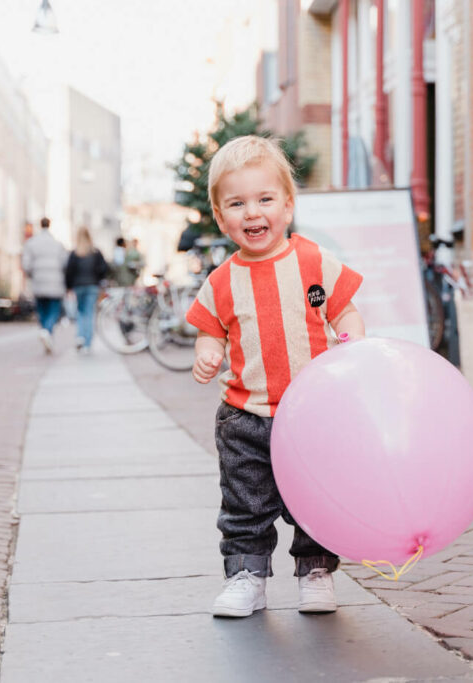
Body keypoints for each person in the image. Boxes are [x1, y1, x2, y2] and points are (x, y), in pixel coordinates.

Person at [184, 135, 366, 618]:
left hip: (313, 412)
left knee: (315, 497)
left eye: (264, 199)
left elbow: (345, 311)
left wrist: (352, 343)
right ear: (222, 219)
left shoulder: (312, 262)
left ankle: (316, 571)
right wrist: (208, 352)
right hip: (245, 415)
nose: (252, 213)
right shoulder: (221, 280)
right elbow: (211, 331)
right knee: (245, 502)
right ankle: (247, 575)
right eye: (237, 204)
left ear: (287, 206)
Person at [21, 217, 68, 353]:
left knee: (42, 311)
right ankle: (47, 331)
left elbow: (26, 265)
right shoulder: (58, 244)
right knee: (53, 311)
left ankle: (45, 332)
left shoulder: (31, 243)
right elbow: (65, 264)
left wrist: (33, 275)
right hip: (55, 284)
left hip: (38, 283)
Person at [65, 227, 108, 354]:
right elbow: (103, 269)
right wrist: (98, 279)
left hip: (78, 286)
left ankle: (80, 336)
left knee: (80, 312)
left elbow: (69, 271)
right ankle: (87, 342)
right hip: (92, 286)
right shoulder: (95, 252)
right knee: (89, 313)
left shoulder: (75, 253)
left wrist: (68, 286)